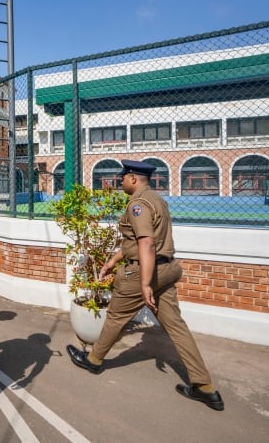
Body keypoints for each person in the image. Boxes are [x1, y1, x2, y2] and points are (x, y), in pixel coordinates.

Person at [66, 159, 225, 411]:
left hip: (145, 270)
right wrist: (114, 259)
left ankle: (94, 359)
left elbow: (147, 243)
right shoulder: (157, 199)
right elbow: (135, 241)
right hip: (168, 268)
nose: (120, 182)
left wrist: (144, 283)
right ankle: (205, 387)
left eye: (123, 178)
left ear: (133, 179)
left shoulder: (138, 204)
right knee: (176, 326)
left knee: (117, 317)